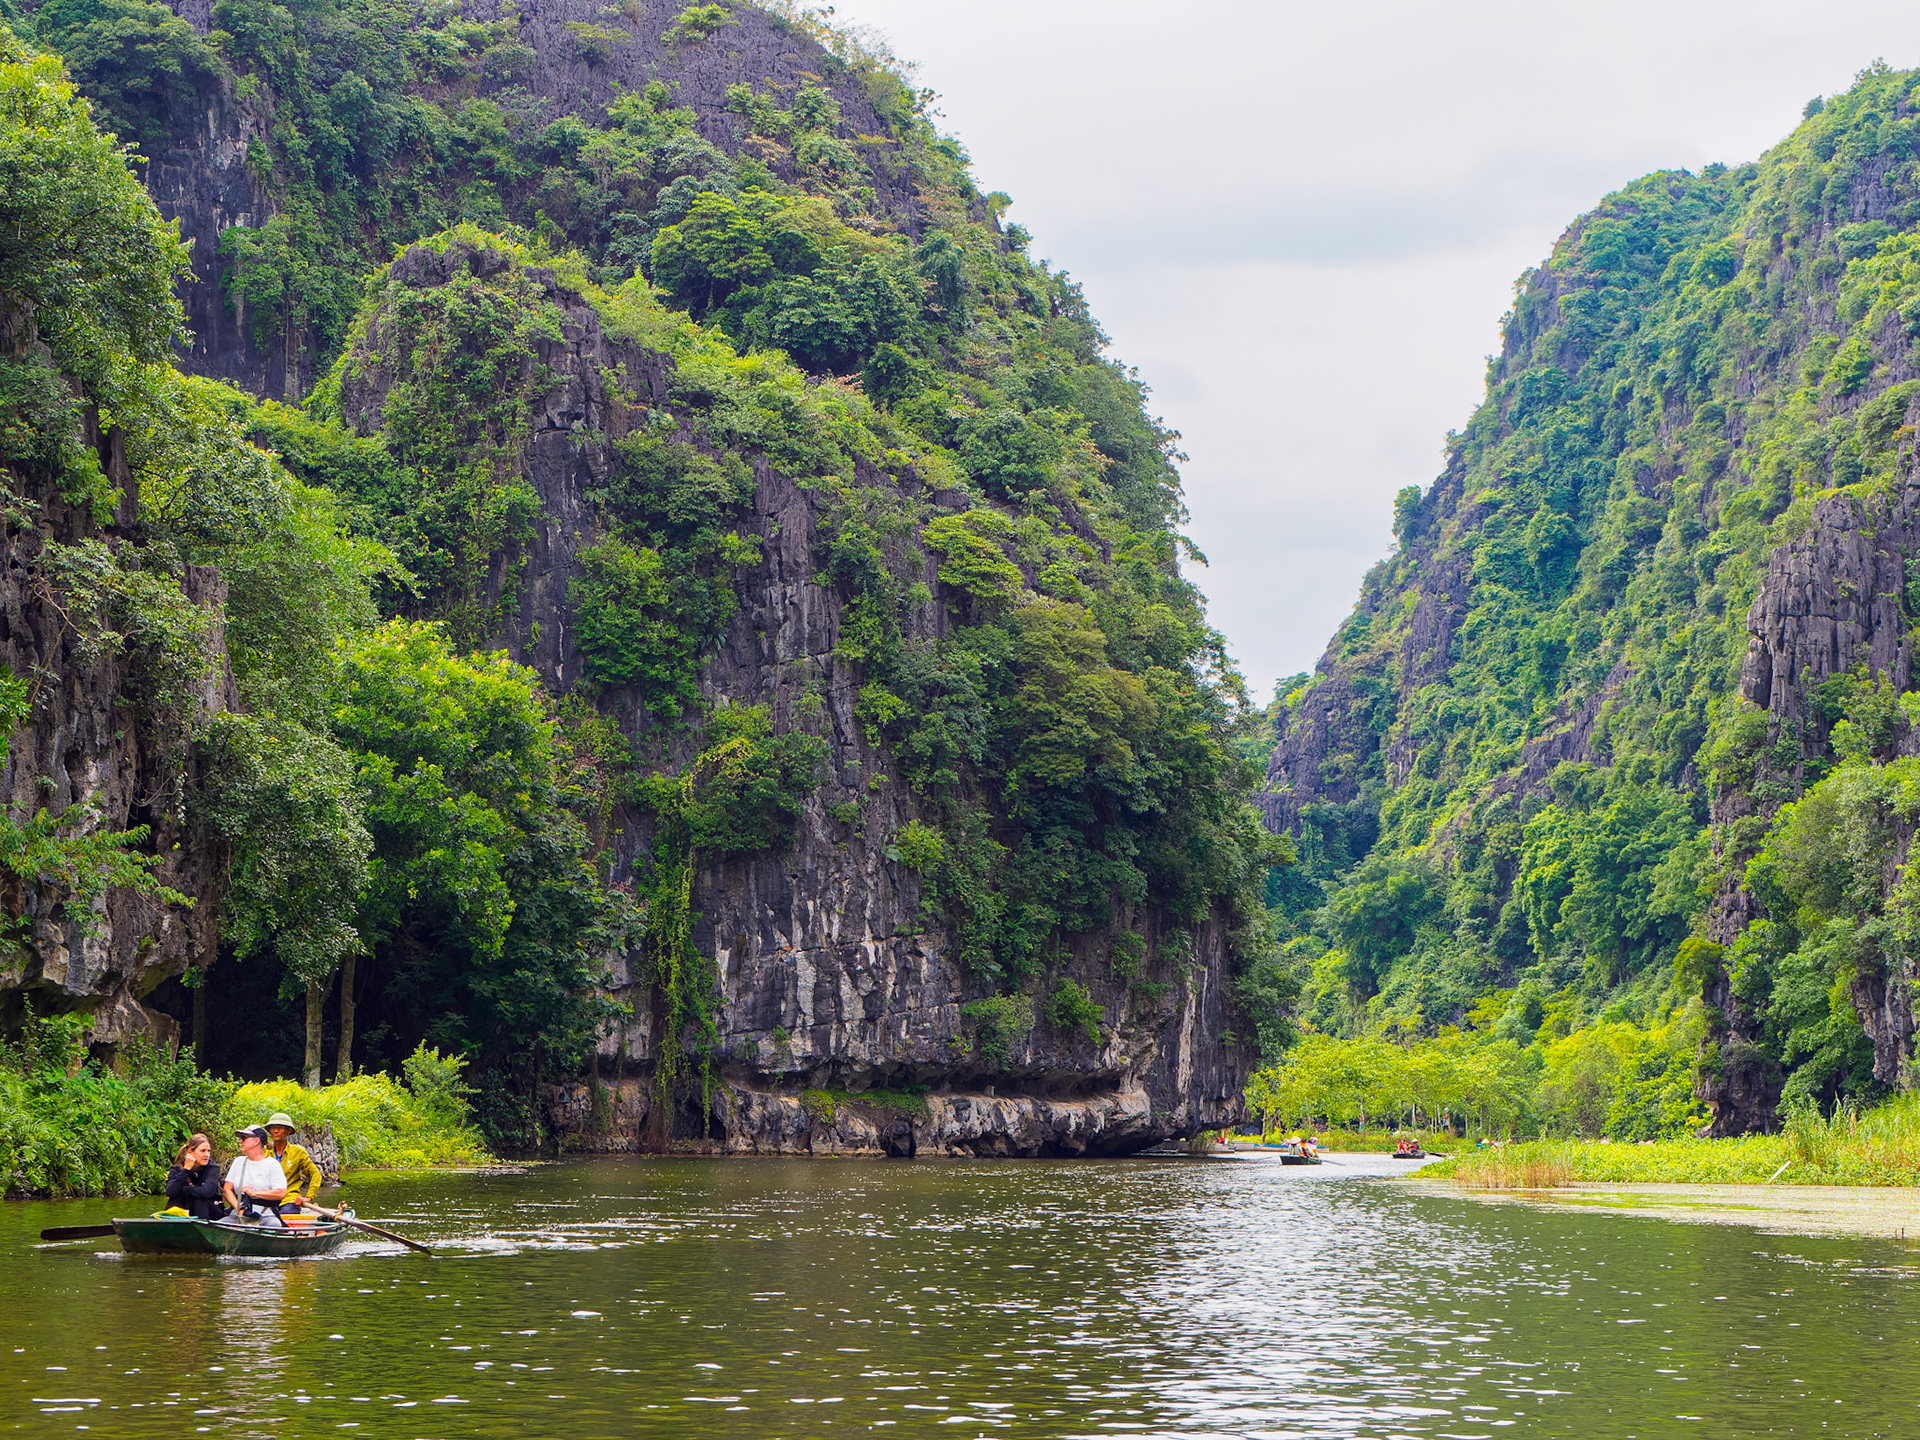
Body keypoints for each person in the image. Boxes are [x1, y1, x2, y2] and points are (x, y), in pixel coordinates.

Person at [223, 1124, 289, 1225]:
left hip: (265, 1215)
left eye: (244, 1138)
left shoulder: (272, 1164)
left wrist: (254, 1193)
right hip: (239, 1214)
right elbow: (227, 1189)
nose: (240, 1141)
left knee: (274, 1225)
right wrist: (239, 1208)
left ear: (256, 1141)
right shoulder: (238, 1162)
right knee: (219, 1225)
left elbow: (281, 1193)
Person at [265, 1112, 321, 1212]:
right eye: (273, 1128)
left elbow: (315, 1174)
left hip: (289, 1199)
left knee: (285, 1214)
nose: (275, 1131)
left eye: (279, 1128)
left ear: (288, 1131)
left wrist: (308, 1197)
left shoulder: (298, 1152)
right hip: (266, 1198)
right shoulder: (263, 1151)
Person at [165, 1133, 227, 1220]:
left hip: (211, 1211)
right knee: (174, 1199)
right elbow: (170, 1192)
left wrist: (184, 1189)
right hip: (187, 1208)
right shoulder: (178, 1168)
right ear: (190, 1152)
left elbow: (206, 1192)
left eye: (208, 1151)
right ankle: (170, 1226)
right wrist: (186, 1170)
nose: (207, 1155)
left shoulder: (212, 1168)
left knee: (200, 1200)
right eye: (202, 1151)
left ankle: (201, 1229)